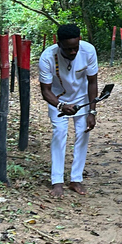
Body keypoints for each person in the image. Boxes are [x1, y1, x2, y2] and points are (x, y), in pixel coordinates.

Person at [39, 24, 98, 198]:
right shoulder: (47, 57)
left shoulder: (88, 51)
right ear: (59, 44)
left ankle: (75, 179)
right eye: (68, 49)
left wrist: (92, 112)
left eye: (75, 48)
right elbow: (45, 91)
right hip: (57, 100)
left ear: (80, 41)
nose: (73, 52)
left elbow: (92, 82)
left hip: (82, 99)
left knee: (83, 133)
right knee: (59, 134)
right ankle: (57, 182)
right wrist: (60, 106)